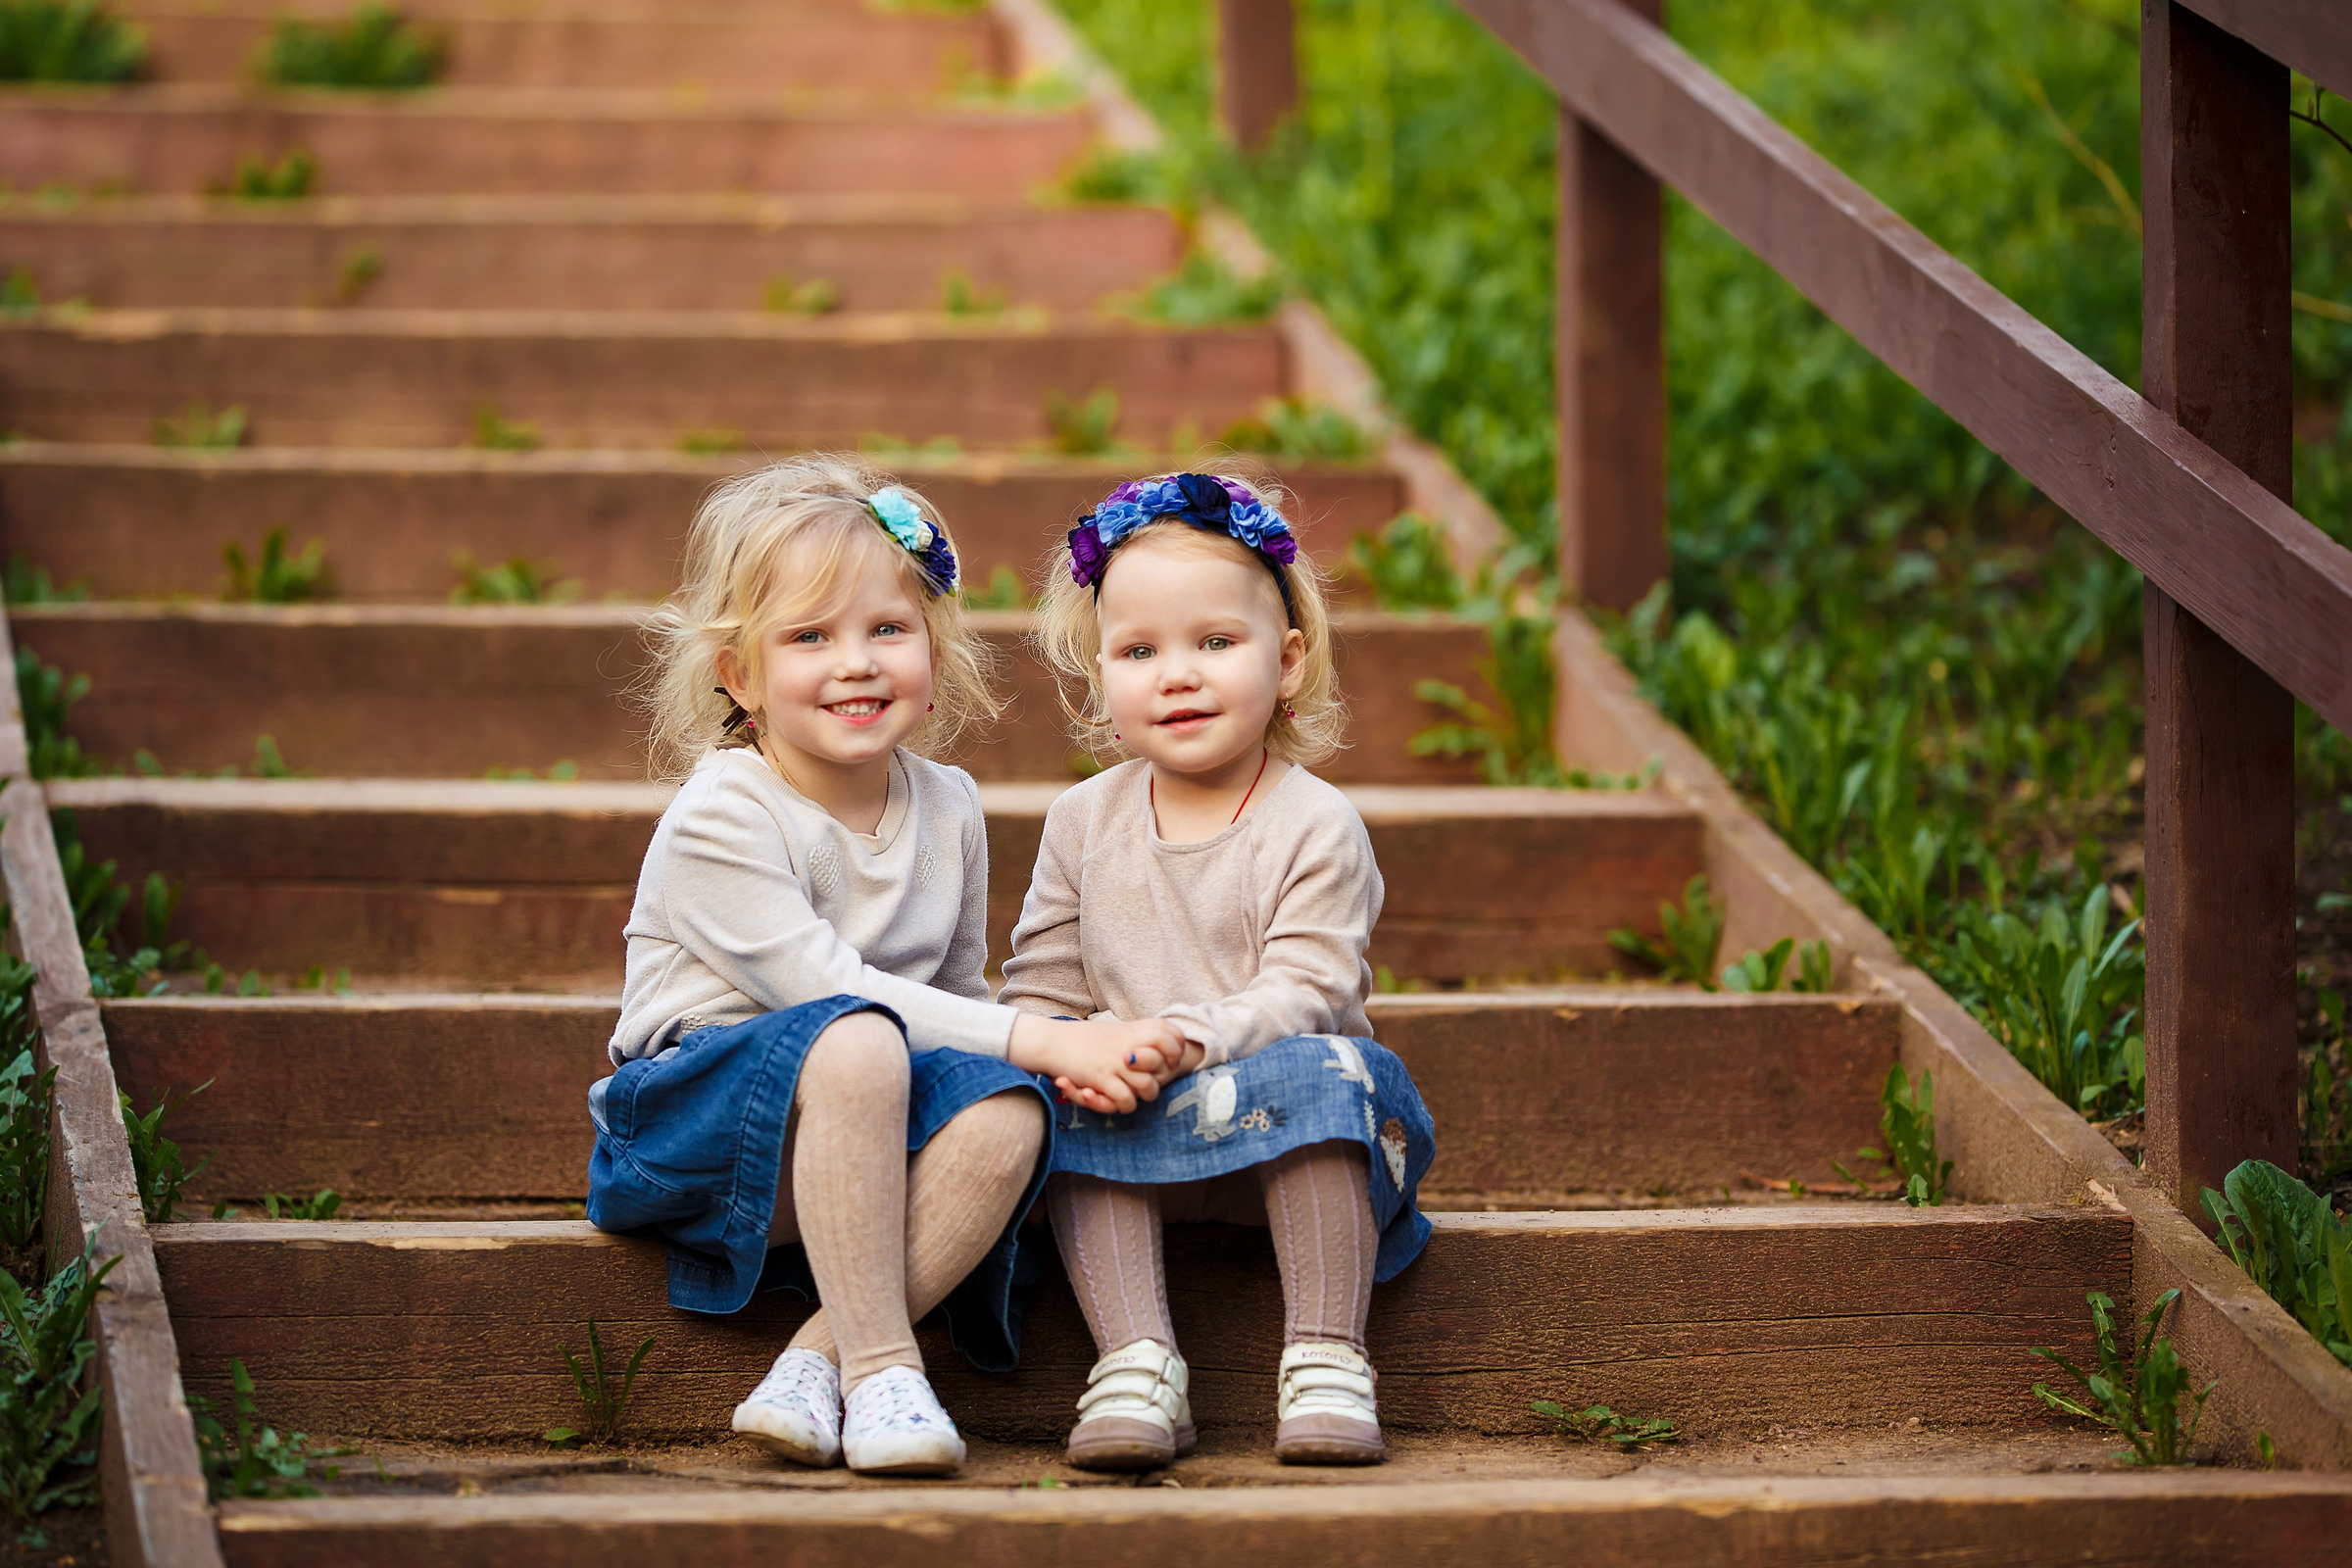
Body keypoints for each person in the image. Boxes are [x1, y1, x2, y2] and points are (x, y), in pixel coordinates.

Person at [585, 456, 1187, 1477]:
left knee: (1007, 1112)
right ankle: (883, 1367)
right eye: (809, 637)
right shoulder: (722, 813)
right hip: (692, 1132)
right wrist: (1047, 1038)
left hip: (864, 1130)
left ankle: (813, 1362)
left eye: (888, 629)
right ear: (739, 675)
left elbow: (954, 1001)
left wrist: (1056, 1062)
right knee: (859, 1037)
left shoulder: (948, 805)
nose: (856, 663)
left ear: (933, 648)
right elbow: (824, 987)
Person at [1001, 466, 1436, 1471]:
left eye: (1215, 643)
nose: (1177, 675)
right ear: (1101, 674)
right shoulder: (1082, 820)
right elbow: (1042, 986)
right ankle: (1135, 1358)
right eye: (1139, 651)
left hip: (1294, 1135)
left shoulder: (1314, 822)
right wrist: (1080, 1050)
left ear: (1287, 662)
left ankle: (1327, 1353)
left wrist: (1188, 1038)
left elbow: (1309, 989)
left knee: (1327, 1066)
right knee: (1054, 1085)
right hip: (1135, 1126)